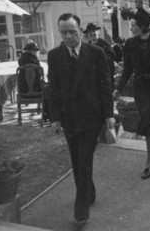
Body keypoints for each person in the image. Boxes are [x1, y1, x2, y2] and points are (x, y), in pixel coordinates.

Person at [48, 13, 115, 230]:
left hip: (91, 117)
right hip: (69, 118)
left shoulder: (96, 54)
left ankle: (81, 211)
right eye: (64, 32)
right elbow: (53, 89)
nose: (68, 36)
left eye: (72, 32)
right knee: (77, 160)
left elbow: (105, 86)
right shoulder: (55, 55)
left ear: (81, 31)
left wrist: (109, 115)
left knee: (84, 160)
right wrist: (55, 118)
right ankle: (90, 193)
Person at [114, 8, 150, 180]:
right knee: (148, 121)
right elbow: (127, 69)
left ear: (142, 26)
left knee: (148, 120)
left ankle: (149, 161)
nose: (131, 28)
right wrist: (119, 88)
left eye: (133, 25)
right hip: (140, 89)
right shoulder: (130, 44)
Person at [18, 41, 50, 121]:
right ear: (31, 51)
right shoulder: (34, 61)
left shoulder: (21, 60)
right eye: (35, 51)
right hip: (36, 90)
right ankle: (47, 114)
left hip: (23, 90)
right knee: (50, 90)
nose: (37, 52)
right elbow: (39, 76)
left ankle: (46, 114)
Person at [83, 23, 116, 88]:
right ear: (88, 35)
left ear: (98, 32)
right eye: (90, 32)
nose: (93, 34)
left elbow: (112, 56)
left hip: (105, 74)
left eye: (94, 32)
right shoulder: (87, 46)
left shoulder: (103, 43)